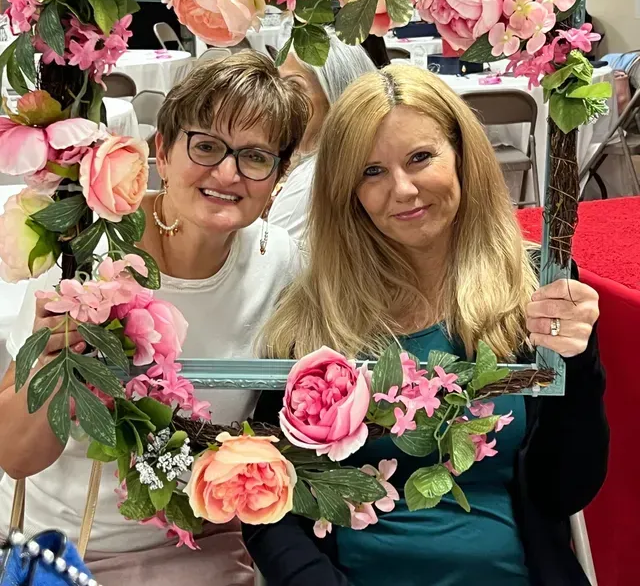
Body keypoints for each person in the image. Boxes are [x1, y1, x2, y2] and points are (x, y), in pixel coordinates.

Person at [245, 65, 608, 586]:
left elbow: (565, 491)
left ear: (462, 155)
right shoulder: (311, 313)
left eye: (420, 158)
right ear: (347, 191)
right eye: (371, 172)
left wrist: (580, 365)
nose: (403, 190)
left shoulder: (536, 291)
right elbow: (272, 501)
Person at [0, 52, 309, 586]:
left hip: (203, 546)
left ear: (278, 177)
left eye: (255, 157)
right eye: (207, 146)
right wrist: (54, 360)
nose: (228, 173)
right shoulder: (85, 250)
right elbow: (18, 457)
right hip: (66, 547)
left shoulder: (282, 266)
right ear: (161, 153)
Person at [270, 34, 377, 243]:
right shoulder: (364, 159)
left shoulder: (313, 181)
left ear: (334, 95)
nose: (281, 100)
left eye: (294, 87)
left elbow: (266, 262)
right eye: (280, 88)